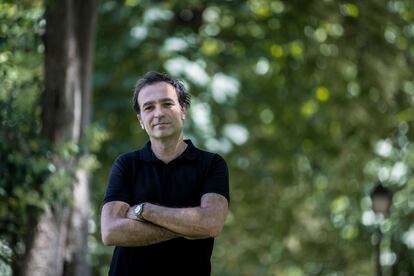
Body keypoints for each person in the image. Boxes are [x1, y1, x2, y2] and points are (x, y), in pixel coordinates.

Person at [101, 71, 230, 275]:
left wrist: (143, 211)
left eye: (167, 104)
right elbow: (110, 232)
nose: (158, 113)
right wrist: (189, 227)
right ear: (141, 120)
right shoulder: (126, 164)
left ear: (183, 110)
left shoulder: (211, 164)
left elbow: (211, 224)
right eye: (149, 107)